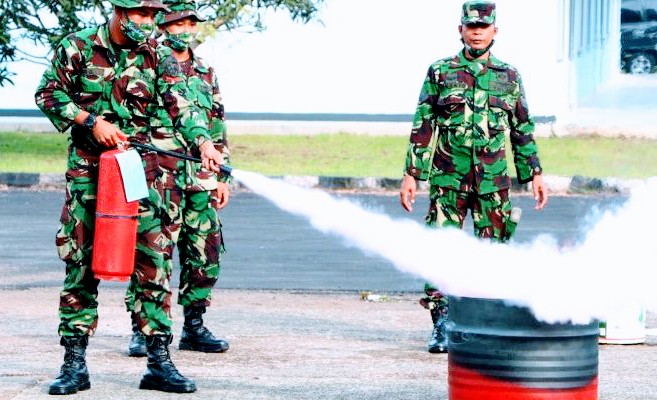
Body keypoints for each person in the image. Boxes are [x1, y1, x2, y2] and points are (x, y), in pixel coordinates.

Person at [34, 0, 226, 394]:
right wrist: (90, 121)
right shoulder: (79, 46)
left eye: (154, 15)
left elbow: (183, 105)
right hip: (90, 175)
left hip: (145, 175)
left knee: (154, 264)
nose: (148, 22)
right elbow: (47, 94)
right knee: (82, 265)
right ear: (119, 12)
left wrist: (204, 142)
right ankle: (74, 365)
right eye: (140, 14)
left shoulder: (157, 53)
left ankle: (158, 362)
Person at [398, 0, 548, 354]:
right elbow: (423, 125)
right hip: (449, 179)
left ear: (495, 30)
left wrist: (535, 174)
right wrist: (411, 174)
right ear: (460, 29)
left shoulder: (509, 76)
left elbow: (522, 128)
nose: (477, 32)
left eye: (483, 26)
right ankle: (443, 325)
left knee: (493, 254)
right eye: (471, 26)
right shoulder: (441, 71)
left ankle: (484, 324)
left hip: (493, 183)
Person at [125, 0, 232, 357]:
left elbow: (217, 125)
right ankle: (144, 329)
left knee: (203, 253)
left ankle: (194, 326)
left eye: (191, 23)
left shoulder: (206, 71)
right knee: (152, 254)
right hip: (158, 177)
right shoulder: (145, 63)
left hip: (201, 178)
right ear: (164, 27)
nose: (186, 30)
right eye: (177, 24)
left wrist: (222, 174)